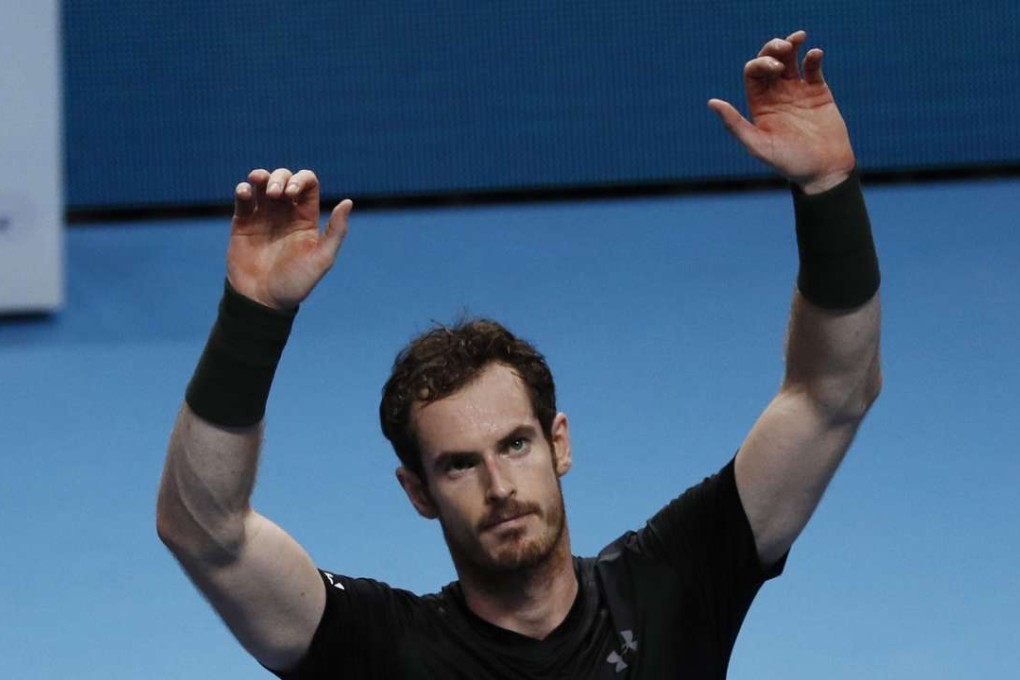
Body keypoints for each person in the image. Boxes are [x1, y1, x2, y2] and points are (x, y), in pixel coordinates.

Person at [157, 30, 882, 678]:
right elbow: (204, 530)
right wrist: (254, 314)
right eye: (459, 464)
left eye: (514, 444)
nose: (499, 485)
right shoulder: (382, 651)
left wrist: (826, 192)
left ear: (558, 443)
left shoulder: (672, 586)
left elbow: (831, 394)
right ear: (417, 492)